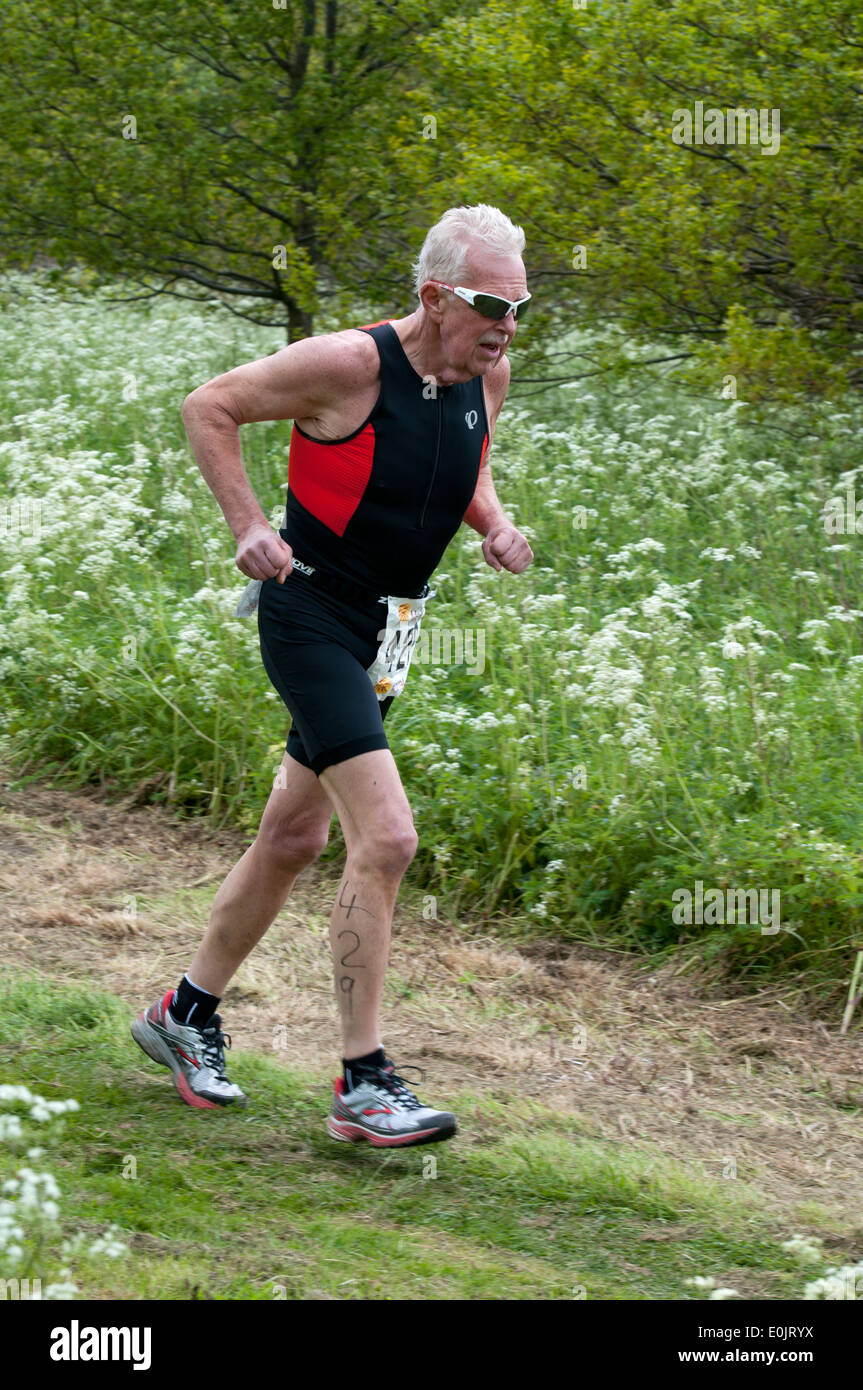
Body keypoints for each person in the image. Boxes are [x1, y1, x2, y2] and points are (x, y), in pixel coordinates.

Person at [131, 204, 534, 1147]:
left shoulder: (488, 372)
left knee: (293, 838)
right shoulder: (350, 366)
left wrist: (494, 524)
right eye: (489, 304)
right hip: (309, 616)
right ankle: (363, 1082)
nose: (505, 326)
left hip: (390, 629)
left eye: (519, 306)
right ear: (434, 297)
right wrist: (247, 527)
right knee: (386, 839)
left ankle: (184, 1016)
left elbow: (463, 468)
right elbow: (210, 405)